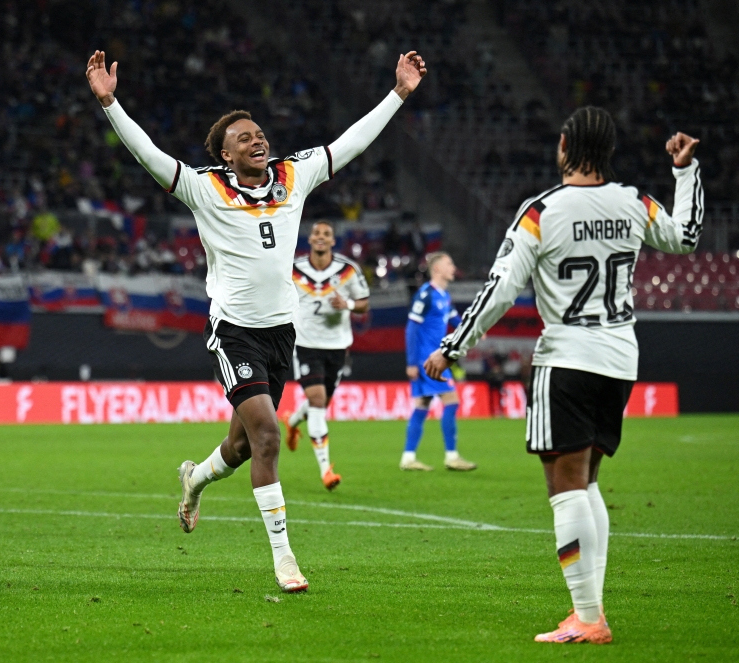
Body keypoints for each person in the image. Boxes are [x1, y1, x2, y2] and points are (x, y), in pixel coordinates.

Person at [86, 49, 425, 592]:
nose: (257, 140)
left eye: (259, 133)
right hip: (234, 332)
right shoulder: (205, 187)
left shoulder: (294, 174)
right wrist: (109, 103)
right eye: (243, 138)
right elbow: (149, 155)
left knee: (242, 447)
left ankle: (195, 479)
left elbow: (352, 143)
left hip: (281, 333)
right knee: (267, 437)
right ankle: (285, 558)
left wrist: (399, 93)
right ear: (225, 153)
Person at [425, 107, 702, 643]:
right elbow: (686, 237)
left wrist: (452, 347)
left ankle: (588, 618)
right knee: (588, 480)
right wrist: (685, 173)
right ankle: (590, 611)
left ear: (564, 145)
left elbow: (500, 289)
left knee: (565, 485)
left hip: (567, 357)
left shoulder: (542, 212)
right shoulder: (634, 201)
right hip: (621, 357)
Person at [282, 221, 371, 491]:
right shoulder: (293, 269)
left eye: (327, 235)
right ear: (310, 239)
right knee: (318, 400)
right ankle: (326, 470)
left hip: (337, 346)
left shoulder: (347, 270)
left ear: (333, 241)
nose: (321, 238)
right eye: (317, 234)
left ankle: (294, 421)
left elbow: (365, 302)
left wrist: (349, 304)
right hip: (306, 344)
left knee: (319, 404)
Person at [401, 252, 476, 471]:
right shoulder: (426, 295)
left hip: (433, 360)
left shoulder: (443, 296)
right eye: (449, 263)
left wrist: (474, 330)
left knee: (422, 405)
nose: (453, 267)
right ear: (437, 270)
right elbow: (411, 329)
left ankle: (408, 458)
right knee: (451, 401)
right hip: (428, 361)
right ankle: (451, 456)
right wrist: (412, 362)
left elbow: (455, 320)